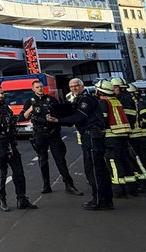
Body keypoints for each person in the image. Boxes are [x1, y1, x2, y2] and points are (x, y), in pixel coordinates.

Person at [47, 78, 113, 210]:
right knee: (98, 168)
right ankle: (104, 200)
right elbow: (73, 117)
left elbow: (78, 117)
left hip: (92, 136)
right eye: (71, 87)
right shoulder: (79, 100)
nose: (74, 88)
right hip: (90, 136)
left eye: (77, 85)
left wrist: (58, 120)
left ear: (82, 86)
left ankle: (99, 201)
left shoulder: (86, 100)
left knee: (95, 169)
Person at [20, 80, 82, 196]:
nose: (40, 89)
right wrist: (30, 110)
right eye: (37, 87)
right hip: (40, 134)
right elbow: (21, 118)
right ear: (33, 89)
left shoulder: (51, 99)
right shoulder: (30, 101)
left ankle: (69, 185)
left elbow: (61, 114)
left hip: (53, 132)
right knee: (42, 160)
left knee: (60, 160)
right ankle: (46, 185)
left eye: (41, 87)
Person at [0, 85, 37, 212]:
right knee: (2, 174)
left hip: (11, 143)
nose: (0, 96)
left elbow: (13, 120)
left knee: (19, 173)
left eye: (2, 93)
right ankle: (2, 199)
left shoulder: (6, 107)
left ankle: (22, 199)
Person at [103, 78, 137, 198]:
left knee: (113, 162)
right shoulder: (117, 99)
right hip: (123, 134)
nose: (114, 89)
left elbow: (104, 120)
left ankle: (118, 190)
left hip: (114, 135)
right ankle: (131, 187)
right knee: (125, 160)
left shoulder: (121, 99)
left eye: (115, 87)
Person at [127, 83, 146, 192]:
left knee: (145, 158)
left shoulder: (138, 103)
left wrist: (141, 123)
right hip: (143, 134)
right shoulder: (138, 102)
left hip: (142, 134)